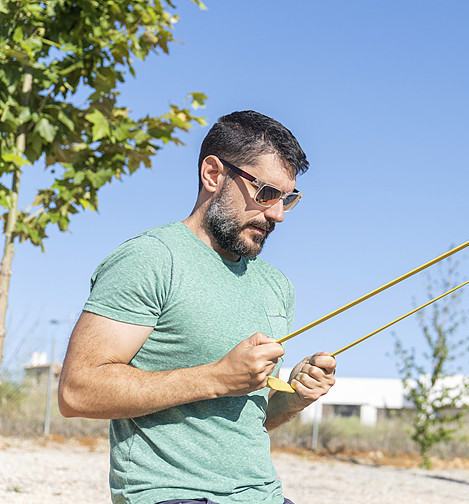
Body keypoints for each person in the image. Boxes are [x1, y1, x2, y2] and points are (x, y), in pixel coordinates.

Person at [58, 111, 336, 504]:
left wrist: (294, 397)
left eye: (288, 199)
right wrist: (217, 377)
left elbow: (247, 421)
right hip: (172, 495)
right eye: (266, 193)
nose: (277, 214)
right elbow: (76, 391)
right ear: (213, 174)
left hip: (264, 496)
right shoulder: (151, 259)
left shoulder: (277, 286)